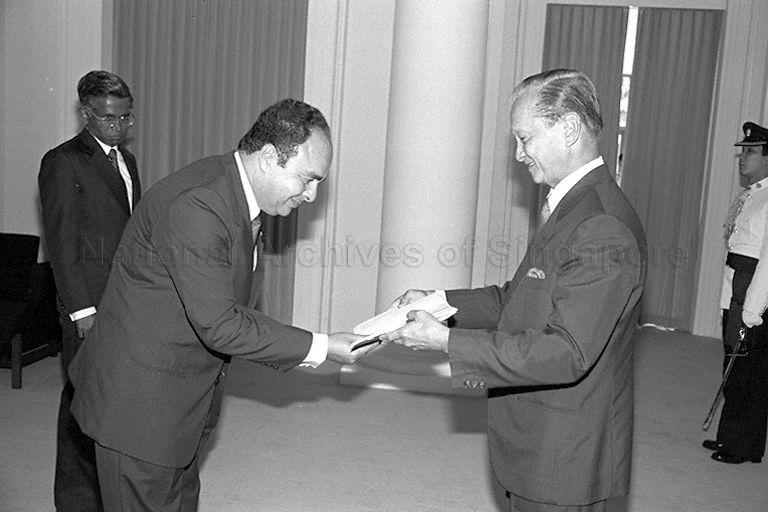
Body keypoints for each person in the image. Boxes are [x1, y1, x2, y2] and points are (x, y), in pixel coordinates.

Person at [67, 98, 375, 511]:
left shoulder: (238, 193)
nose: (312, 195)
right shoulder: (200, 203)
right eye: (308, 179)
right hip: (138, 410)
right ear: (268, 157)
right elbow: (222, 323)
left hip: (179, 403)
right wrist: (322, 347)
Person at [381, 69, 647, 512]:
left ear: (569, 128)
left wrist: (444, 340)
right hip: (544, 440)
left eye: (525, 138)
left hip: (565, 455)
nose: (519, 154)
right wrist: (439, 302)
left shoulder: (601, 225)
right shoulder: (574, 205)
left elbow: (566, 352)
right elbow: (519, 298)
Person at [39, 70, 141, 512]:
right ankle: (77, 501)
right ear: (86, 114)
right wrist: (82, 311)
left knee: (112, 401)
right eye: (108, 118)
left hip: (122, 301)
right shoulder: (62, 161)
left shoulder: (126, 160)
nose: (118, 126)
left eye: (125, 118)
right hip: (88, 306)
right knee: (82, 403)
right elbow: (62, 243)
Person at [703, 121, 768, 464]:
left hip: (754, 292)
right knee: (734, 362)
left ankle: (742, 446)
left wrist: (752, 309)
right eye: (742, 151)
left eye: (752, 151)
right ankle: (732, 436)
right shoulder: (754, 194)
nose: (743, 157)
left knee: (748, 370)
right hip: (738, 288)